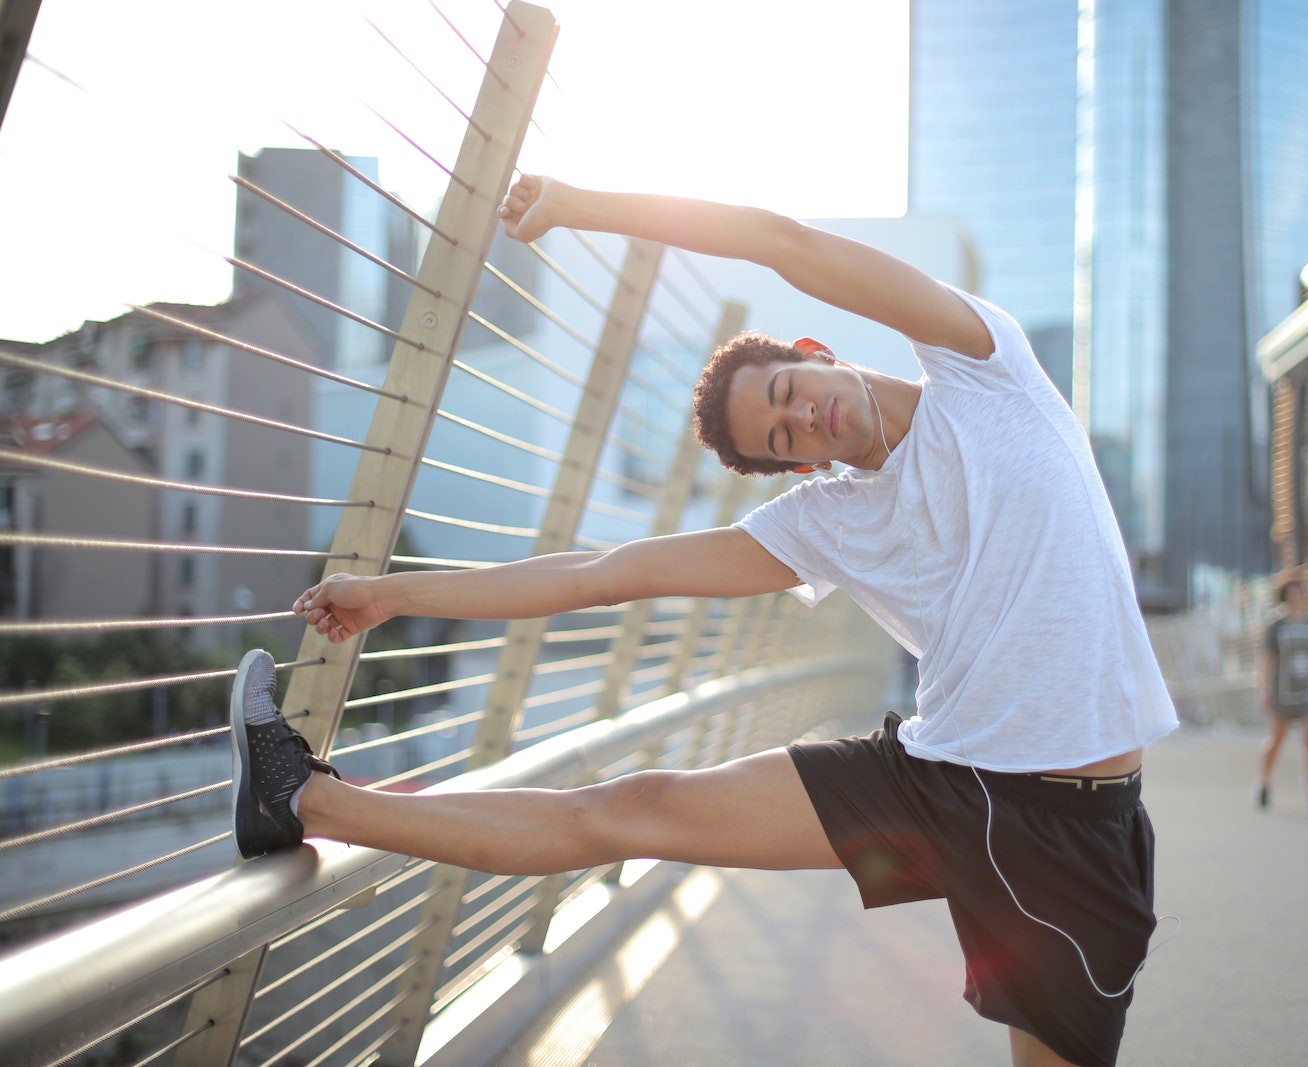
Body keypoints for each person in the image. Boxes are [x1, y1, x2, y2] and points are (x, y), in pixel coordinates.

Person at [230, 175, 1179, 1067]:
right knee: (627, 810)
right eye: (784, 440)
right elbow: (604, 574)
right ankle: (305, 798)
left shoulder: (986, 368)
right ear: (798, 470)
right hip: (940, 776)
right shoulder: (826, 520)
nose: (804, 419)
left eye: (786, 396)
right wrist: (397, 593)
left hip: (1075, 821)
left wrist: (579, 206)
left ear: (814, 355)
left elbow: (781, 241)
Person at [1255, 572, 1308, 817]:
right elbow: (1266, 660)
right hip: (1282, 690)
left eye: (1299, 593)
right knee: (1277, 738)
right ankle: (1264, 782)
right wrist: (1264, 690)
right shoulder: (1276, 625)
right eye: (1291, 594)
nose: (1296, 598)